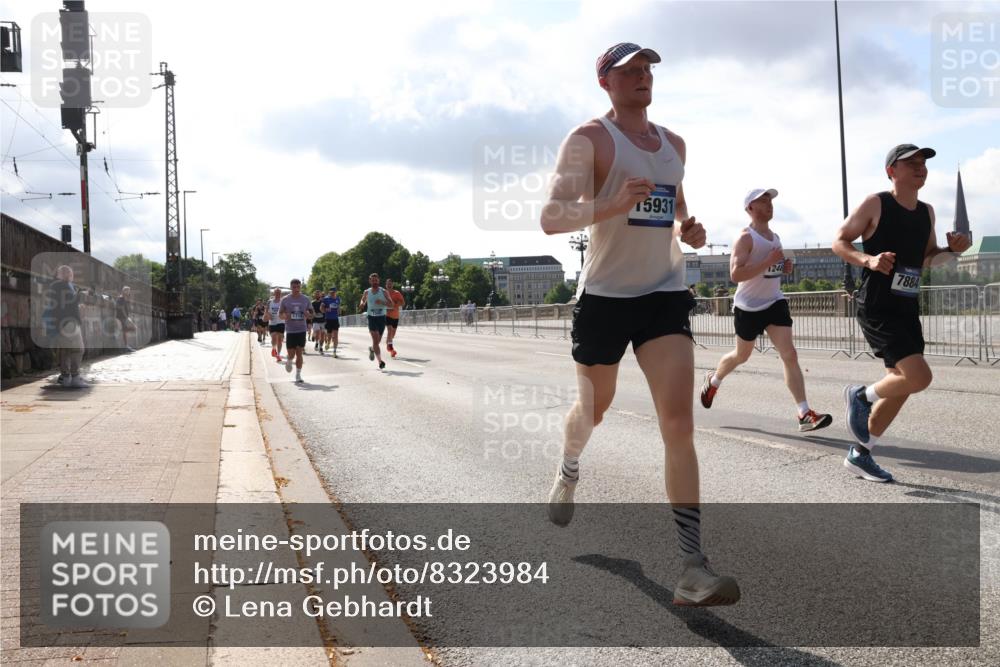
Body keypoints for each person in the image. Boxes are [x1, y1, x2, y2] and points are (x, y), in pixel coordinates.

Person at [539, 42, 738, 606]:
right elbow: (551, 217)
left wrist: (690, 231)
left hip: (662, 295)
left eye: (648, 69)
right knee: (594, 410)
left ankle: (692, 567)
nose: (642, 77)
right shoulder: (590, 139)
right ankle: (570, 467)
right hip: (604, 297)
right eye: (629, 71)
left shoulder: (673, 144)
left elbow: (673, 208)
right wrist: (605, 204)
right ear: (605, 82)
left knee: (678, 424)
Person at [833, 143, 971, 482]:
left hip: (907, 305)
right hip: (878, 304)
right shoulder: (876, 203)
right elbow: (840, 241)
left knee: (903, 384)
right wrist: (868, 260)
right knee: (919, 377)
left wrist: (951, 252)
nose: (920, 167)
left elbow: (925, 259)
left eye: (923, 163)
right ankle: (860, 395)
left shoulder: (927, 212)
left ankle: (861, 455)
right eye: (911, 163)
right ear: (892, 171)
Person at [700, 189, 833, 432]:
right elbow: (736, 274)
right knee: (742, 356)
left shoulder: (775, 237)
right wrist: (769, 262)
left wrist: (784, 267)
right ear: (750, 208)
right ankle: (714, 379)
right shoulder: (745, 237)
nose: (769, 205)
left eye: (770, 201)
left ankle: (804, 413)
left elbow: (769, 270)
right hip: (748, 307)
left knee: (789, 354)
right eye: (762, 201)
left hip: (774, 302)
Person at [43, 265, 89, 388]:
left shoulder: (60, 286)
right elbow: (69, 302)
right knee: (78, 349)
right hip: (68, 323)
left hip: (64, 323)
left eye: (70, 272)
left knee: (66, 350)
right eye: (66, 272)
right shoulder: (60, 285)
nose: (69, 274)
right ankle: (74, 377)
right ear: (59, 274)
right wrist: (80, 296)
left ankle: (66, 377)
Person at [279, 279, 313, 383]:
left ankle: (298, 375)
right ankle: (289, 360)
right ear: (291, 287)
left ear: (300, 287)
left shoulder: (306, 299)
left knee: (299, 353)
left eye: (298, 287)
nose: (296, 289)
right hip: (290, 330)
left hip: (301, 329)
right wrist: (285, 316)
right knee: (292, 354)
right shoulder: (285, 299)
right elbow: (280, 314)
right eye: (294, 287)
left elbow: (312, 313)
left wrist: (309, 315)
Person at [359, 273, 392, 370]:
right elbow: (362, 300)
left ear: (379, 281)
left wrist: (382, 302)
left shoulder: (384, 291)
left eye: (376, 280)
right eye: (372, 280)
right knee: (375, 340)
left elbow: (391, 304)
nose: (374, 282)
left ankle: (372, 349)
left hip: (381, 318)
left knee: (377, 342)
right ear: (370, 281)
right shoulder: (366, 292)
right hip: (371, 317)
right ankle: (380, 361)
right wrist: (361, 304)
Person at [384, 278, 405, 358]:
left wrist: (395, 304)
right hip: (387, 315)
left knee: (392, 335)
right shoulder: (384, 294)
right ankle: (391, 349)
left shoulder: (397, 293)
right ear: (386, 285)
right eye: (387, 284)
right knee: (389, 330)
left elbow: (403, 303)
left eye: (390, 284)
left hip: (395, 316)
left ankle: (388, 342)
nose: (389, 285)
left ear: (392, 285)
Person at [265, 288, 285, 362]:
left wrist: (284, 315)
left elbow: (286, 310)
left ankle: (278, 355)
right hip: (272, 322)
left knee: (280, 339)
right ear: (274, 294)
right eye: (276, 293)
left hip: (281, 322)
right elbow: (266, 311)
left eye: (279, 293)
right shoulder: (269, 302)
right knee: (274, 338)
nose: (278, 294)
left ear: (281, 294)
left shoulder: (283, 302)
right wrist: (267, 315)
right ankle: (274, 348)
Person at [321, 287, 342, 357]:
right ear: (329, 292)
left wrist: (339, 310)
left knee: (335, 336)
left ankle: (334, 351)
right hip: (328, 319)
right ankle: (328, 343)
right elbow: (321, 308)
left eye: (334, 292)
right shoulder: (326, 299)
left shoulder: (338, 299)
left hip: (335, 319)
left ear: (336, 292)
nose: (332, 293)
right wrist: (326, 309)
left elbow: (339, 308)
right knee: (329, 336)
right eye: (331, 292)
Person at [115, 286, 135, 352]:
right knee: (127, 330)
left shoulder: (124, 298)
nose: (129, 292)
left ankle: (126, 346)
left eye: (129, 291)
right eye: (127, 290)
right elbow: (121, 308)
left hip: (124, 317)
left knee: (128, 330)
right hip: (122, 317)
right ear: (124, 291)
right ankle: (126, 346)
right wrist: (126, 317)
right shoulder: (121, 298)